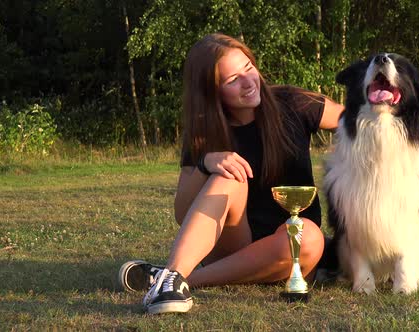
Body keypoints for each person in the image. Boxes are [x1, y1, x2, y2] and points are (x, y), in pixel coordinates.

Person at [118, 33, 344, 314]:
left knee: (308, 237)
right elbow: (181, 212)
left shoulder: (294, 102)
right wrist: (206, 163)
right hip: (232, 243)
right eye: (232, 80)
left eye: (249, 68)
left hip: (291, 248)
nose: (249, 82)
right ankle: (173, 278)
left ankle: (171, 278)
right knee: (228, 173)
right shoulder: (205, 131)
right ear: (211, 91)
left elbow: (359, 122)